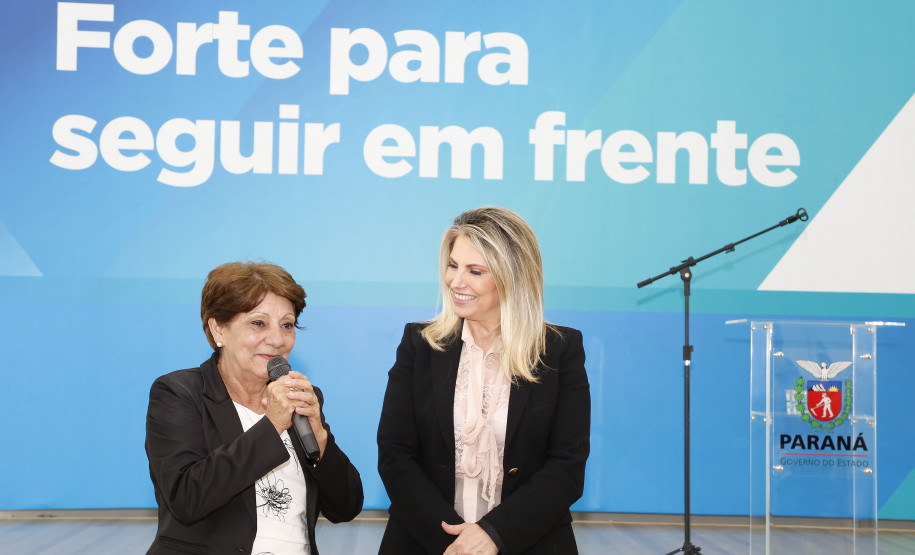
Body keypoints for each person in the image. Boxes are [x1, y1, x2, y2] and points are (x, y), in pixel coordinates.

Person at [377, 207, 591, 555]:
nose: (456, 282)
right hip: (425, 541)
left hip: (530, 541)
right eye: (453, 265)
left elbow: (567, 466)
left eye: (475, 271)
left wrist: (494, 534)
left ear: (512, 277)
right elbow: (395, 454)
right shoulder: (419, 344)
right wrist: (454, 543)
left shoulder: (559, 350)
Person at [146, 261, 363, 555]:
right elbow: (187, 498)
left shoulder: (299, 398)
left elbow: (346, 507)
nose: (276, 339)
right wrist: (272, 425)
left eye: (286, 325)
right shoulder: (180, 393)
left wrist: (320, 438)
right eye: (258, 323)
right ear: (218, 329)